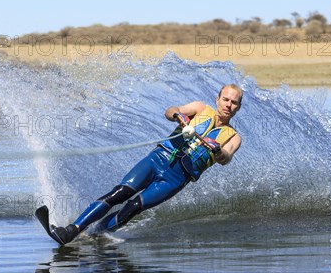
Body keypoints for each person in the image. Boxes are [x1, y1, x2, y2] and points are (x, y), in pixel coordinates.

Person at [48, 84, 244, 245]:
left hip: (176, 179)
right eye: (225, 99)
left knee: (132, 208)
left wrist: (218, 150)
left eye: (234, 102)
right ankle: (72, 230)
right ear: (217, 99)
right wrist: (178, 116)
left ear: (238, 107)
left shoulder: (234, 137)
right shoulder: (200, 108)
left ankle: (92, 236)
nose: (228, 105)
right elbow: (170, 111)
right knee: (120, 194)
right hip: (158, 159)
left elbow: (226, 158)